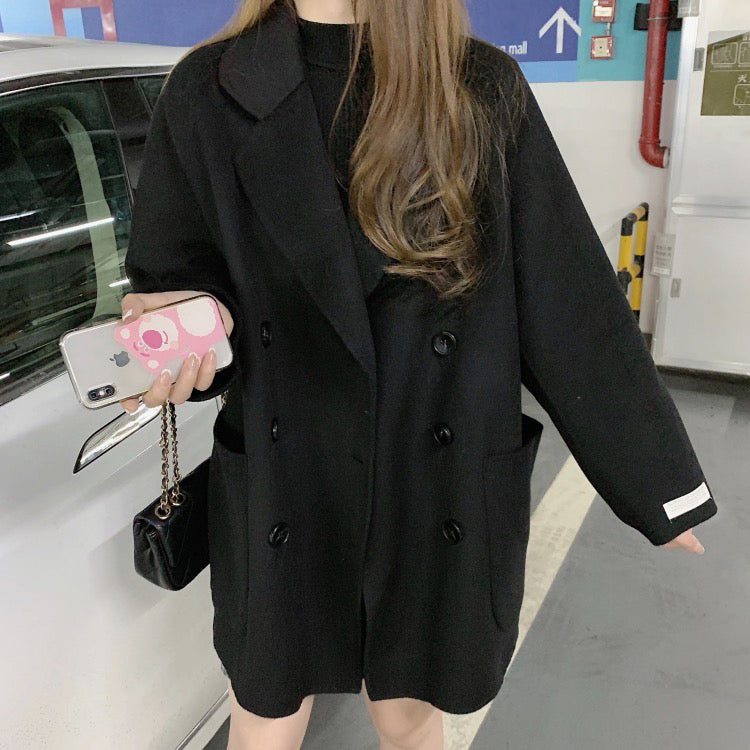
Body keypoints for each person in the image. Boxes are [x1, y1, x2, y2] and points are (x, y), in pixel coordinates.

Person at [119, 1, 718, 748]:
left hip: (433, 466)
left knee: (406, 711)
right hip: (287, 469)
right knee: (267, 705)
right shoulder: (208, 89)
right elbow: (180, 271)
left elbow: (566, 298)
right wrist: (181, 333)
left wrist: (657, 480)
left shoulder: (478, 89)